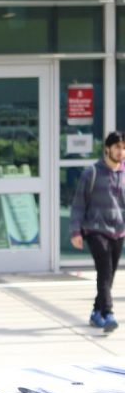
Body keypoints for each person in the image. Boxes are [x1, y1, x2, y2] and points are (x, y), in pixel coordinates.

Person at [69, 130, 125, 333]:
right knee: (104, 271)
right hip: (95, 230)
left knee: (109, 276)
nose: (121, 151)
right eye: (118, 147)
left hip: (118, 231)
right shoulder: (91, 172)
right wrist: (76, 231)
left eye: (124, 148)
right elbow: (78, 204)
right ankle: (108, 313)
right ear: (107, 149)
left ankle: (96, 312)